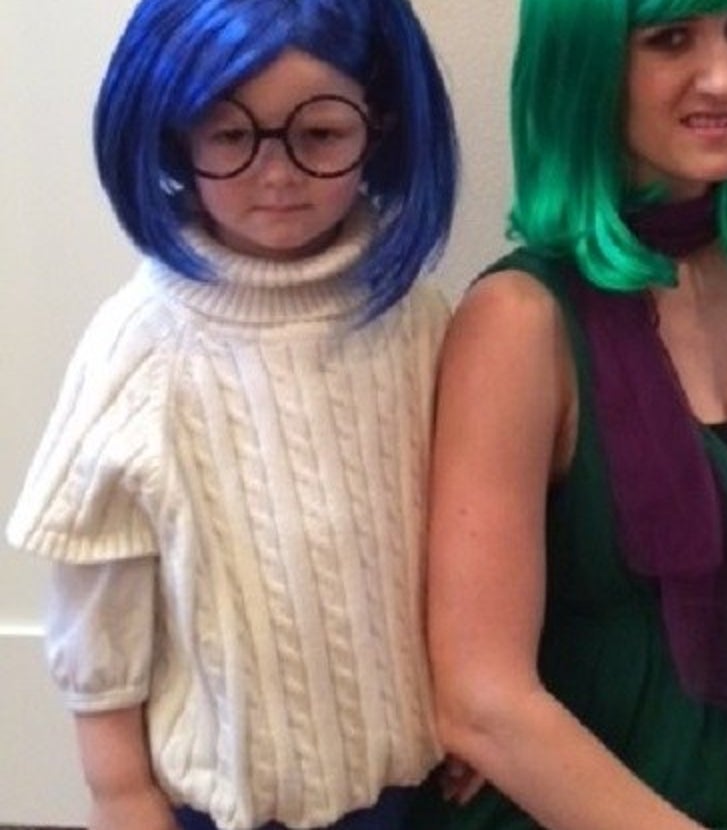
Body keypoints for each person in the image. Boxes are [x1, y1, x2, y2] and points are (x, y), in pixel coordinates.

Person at [4, 1, 458, 828]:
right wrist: (120, 791)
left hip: (416, 789)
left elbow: (466, 550)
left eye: (319, 134)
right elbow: (97, 604)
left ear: (381, 125)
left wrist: (471, 704)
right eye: (229, 135)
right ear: (174, 137)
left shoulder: (420, 321)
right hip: (224, 805)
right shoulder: (140, 346)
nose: (276, 175)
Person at [427, 0, 727, 828]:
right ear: (584, 65)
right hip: (586, 795)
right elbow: (482, 702)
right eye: (670, 39)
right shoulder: (519, 324)